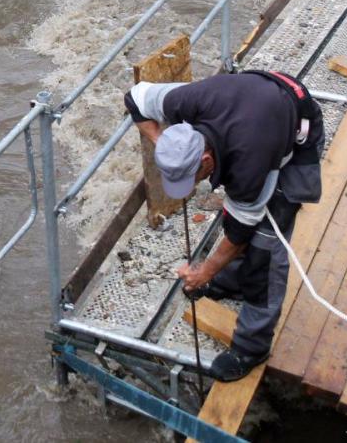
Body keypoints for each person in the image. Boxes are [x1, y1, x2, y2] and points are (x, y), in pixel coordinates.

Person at [124, 69, 323, 381]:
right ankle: (233, 280)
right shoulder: (183, 101)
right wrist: (163, 142)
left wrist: (205, 271)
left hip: (296, 124)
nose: (190, 187)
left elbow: (242, 230)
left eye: (192, 178)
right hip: (253, 103)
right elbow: (134, 99)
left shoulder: (248, 160)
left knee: (265, 249)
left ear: (206, 160)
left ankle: (253, 347)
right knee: (240, 220)